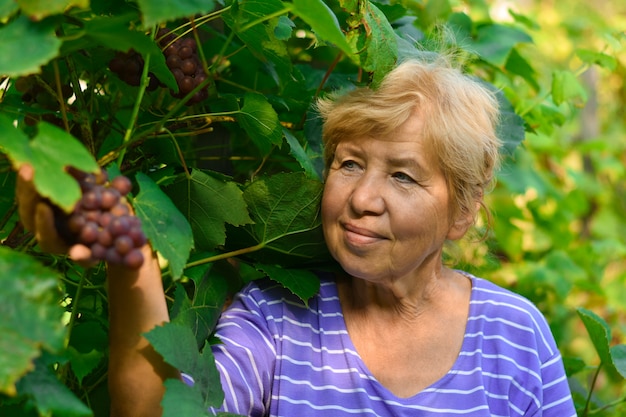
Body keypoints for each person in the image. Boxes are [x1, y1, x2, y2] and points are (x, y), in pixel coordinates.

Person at [16, 57, 577, 416]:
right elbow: (159, 412)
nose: (362, 198)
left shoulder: (514, 337)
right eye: (350, 163)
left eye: (402, 175)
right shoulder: (277, 319)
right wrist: (129, 255)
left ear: (461, 213)